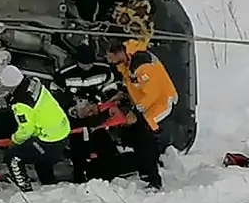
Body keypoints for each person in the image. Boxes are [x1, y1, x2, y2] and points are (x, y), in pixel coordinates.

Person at [104, 38, 178, 190]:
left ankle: (154, 180)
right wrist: (123, 94)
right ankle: (145, 171)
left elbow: (152, 93)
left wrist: (136, 112)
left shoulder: (141, 63)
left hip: (161, 102)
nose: (108, 60)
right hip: (146, 104)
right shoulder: (126, 62)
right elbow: (133, 84)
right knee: (137, 136)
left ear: (118, 53)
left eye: (110, 57)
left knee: (144, 138)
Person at [51, 43, 123, 183]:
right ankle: (79, 177)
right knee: (77, 149)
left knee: (104, 144)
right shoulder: (65, 73)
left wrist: (99, 102)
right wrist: (71, 108)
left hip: (98, 115)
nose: (86, 67)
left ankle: (108, 175)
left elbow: (114, 86)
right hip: (76, 117)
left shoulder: (104, 70)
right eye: (83, 64)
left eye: (89, 64)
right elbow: (56, 91)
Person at [0, 65, 71, 192]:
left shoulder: (21, 102)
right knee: (42, 161)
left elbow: (26, 130)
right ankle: (49, 187)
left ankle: (25, 190)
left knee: (13, 157)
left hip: (50, 139)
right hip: (61, 130)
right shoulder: (34, 82)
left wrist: (14, 140)